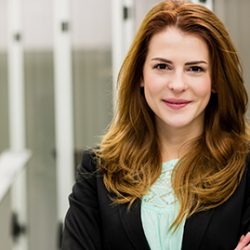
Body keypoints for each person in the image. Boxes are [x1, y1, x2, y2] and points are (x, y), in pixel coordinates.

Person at [62, 0, 250, 249]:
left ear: (215, 80)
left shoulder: (245, 168)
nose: (177, 84)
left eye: (195, 69)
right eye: (162, 66)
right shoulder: (98, 171)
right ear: (141, 75)